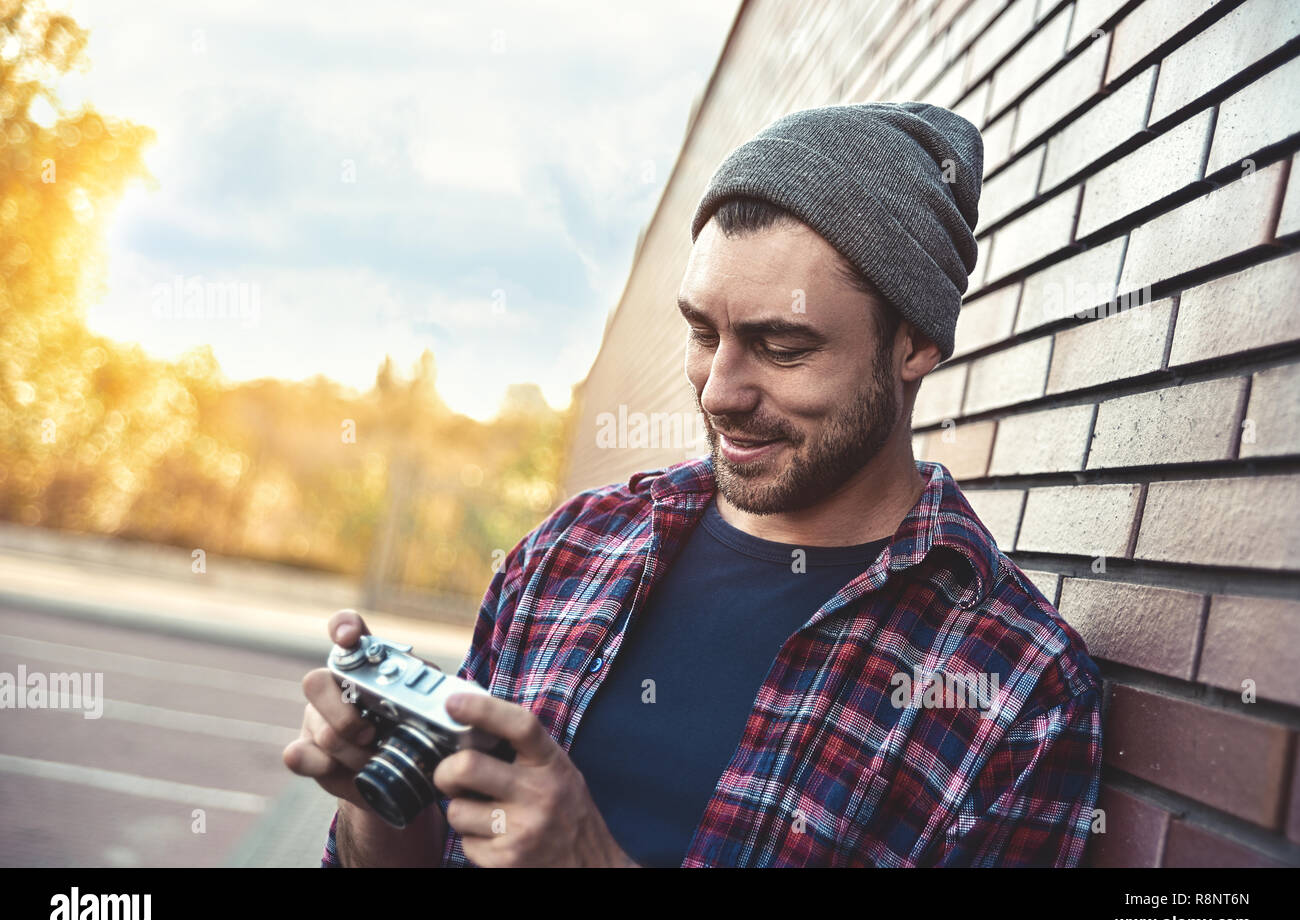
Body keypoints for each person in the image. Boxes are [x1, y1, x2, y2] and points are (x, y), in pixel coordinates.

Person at [285, 102, 1104, 867]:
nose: (719, 392)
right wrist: (381, 808)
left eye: (782, 346)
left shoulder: (1017, 686)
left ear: (916, 344)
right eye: (703, 332)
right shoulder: (573, 549)